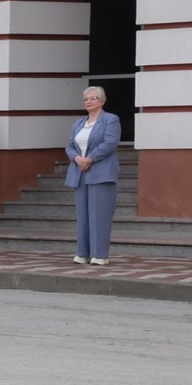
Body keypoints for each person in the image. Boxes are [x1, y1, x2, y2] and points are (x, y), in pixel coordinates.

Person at [67, 85, 124, 265]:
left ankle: (99, 255)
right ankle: (82, 252)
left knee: (99, 214)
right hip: (80, 173)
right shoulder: (78, 123)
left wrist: (89, 159)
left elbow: (110, 142)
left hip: (101, 172)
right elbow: (69, 146)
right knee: (82, 215)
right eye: (86, 99)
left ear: (102, 101)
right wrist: (77, 158)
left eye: (93, 98)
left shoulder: (111, 120)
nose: (89, 102)